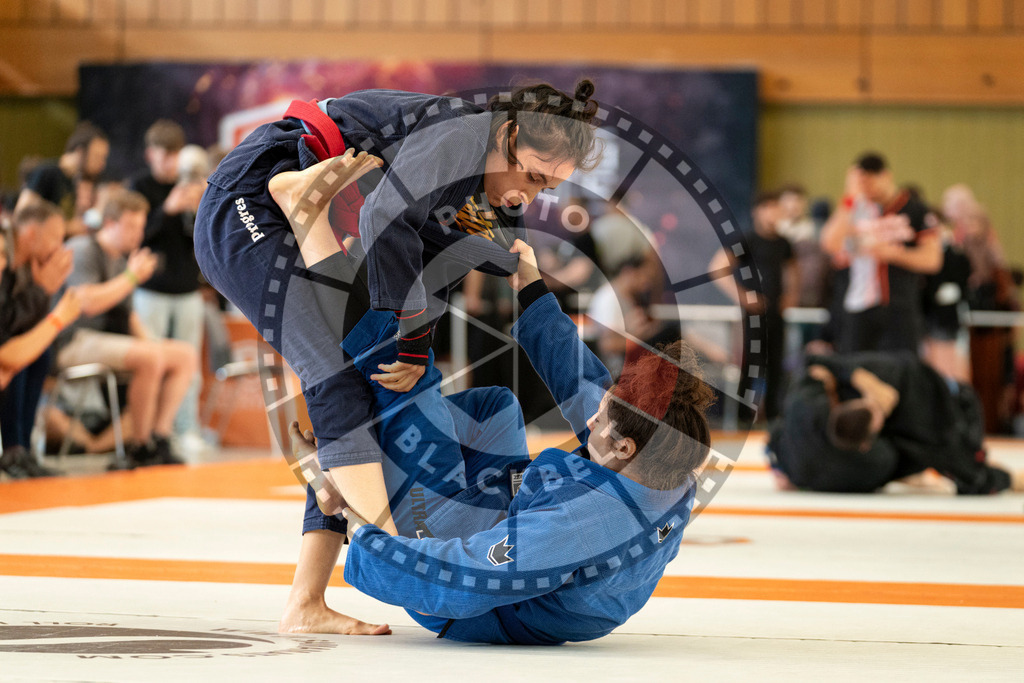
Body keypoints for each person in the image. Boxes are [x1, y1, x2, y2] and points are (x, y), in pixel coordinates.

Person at [193, 81, 601, 633]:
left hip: (315, 205)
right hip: (248, 203)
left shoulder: (486, 185)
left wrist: (430, 336)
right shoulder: (460, 132)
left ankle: (308, 591)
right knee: (336, 382)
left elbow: (439, 264)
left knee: (363, 384)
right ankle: (367, 551)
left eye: (547, 187)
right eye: (531, 176)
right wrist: (412, 343)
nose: (527, 196)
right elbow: (385, 218)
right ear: (506, 135)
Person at [289, 239, 714, 644]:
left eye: (600, 421)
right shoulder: (667, 464)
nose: (590, 417)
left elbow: (469, 578)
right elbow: (583, 381)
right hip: (522, 541)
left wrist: (364, 529)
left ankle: (360, 476)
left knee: (400, 373)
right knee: (495, 407)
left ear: (624, 448)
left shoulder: (580, 524)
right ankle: (382, 454)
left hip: (469, 602)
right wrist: (530, 287)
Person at [54, 188, 198, 468]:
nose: (138, 234)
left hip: (106, 340)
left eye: (141, 227)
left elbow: (130, 316)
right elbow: (85, 303)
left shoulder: (120, 260)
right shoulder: (83, 248)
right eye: (131, 226)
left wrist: (152, 343)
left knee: (183, 354)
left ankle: (160, 437)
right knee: (150, 356)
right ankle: (139, 445)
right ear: (109, 223)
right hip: (73, 340)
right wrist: (132, 277)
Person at [768, 351, 1022, 495]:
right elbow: (919, 458)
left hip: (926, 392)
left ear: (837, 406)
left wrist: (860, 378)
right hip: (940, 406)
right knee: (965, 464)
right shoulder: (876, 460)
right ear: (869, 442)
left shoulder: (806, 409)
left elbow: (813, 362)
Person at [129, 120, 208, 446]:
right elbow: (136, 237)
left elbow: (200, 239)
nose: (170, 163)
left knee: (189, 366)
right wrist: (167, 210)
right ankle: (148, 434)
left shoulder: (188, 184)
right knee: (153, 364)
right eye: (164, 155)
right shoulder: (138, 188)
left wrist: (198, 207)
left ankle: (185, 430)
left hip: (187, 290)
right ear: (151, 154)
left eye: (175, 155)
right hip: (151, 291)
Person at [820, 152, 942, 354]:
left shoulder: (916, 209)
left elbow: (933, 260)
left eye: (869, 182)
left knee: (901, 371)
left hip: (901, 308)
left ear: (885, 176)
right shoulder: (856, 209)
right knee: (855, 370)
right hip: (859, 306)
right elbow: (829, 243)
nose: (865, 189)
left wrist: (894, 254)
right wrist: (849, 198)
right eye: (861, 184)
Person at [0, 201, 77, 477]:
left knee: (38, 353)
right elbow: (7, 330)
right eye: (56, 237)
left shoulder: (22, 264)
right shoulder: (7, 258)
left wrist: (44, 291)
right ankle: (12, 449)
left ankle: (22, 448)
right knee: (19, 359)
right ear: (32, 233)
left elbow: (23, 325)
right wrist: (43, 291)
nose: (59, 247)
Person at [710, 190, 798, 420]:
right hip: (753, 316)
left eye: (777, 208)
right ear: (758, 212)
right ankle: (742, 419)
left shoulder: (784, 243)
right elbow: (718, 268)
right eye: (769, 207)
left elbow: (791, 271)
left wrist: (791, 295)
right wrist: (744, 297)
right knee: (749, 367)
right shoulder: (747, 239)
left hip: (776, 315)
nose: (774, 213)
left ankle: (773, 417)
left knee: (777, 368)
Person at [15, 122, 110, 238]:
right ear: (80, 152)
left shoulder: (72, 181)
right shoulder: (46, 172)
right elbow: (21, 216)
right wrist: (68, 227)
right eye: (97, 156)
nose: (102, 164)